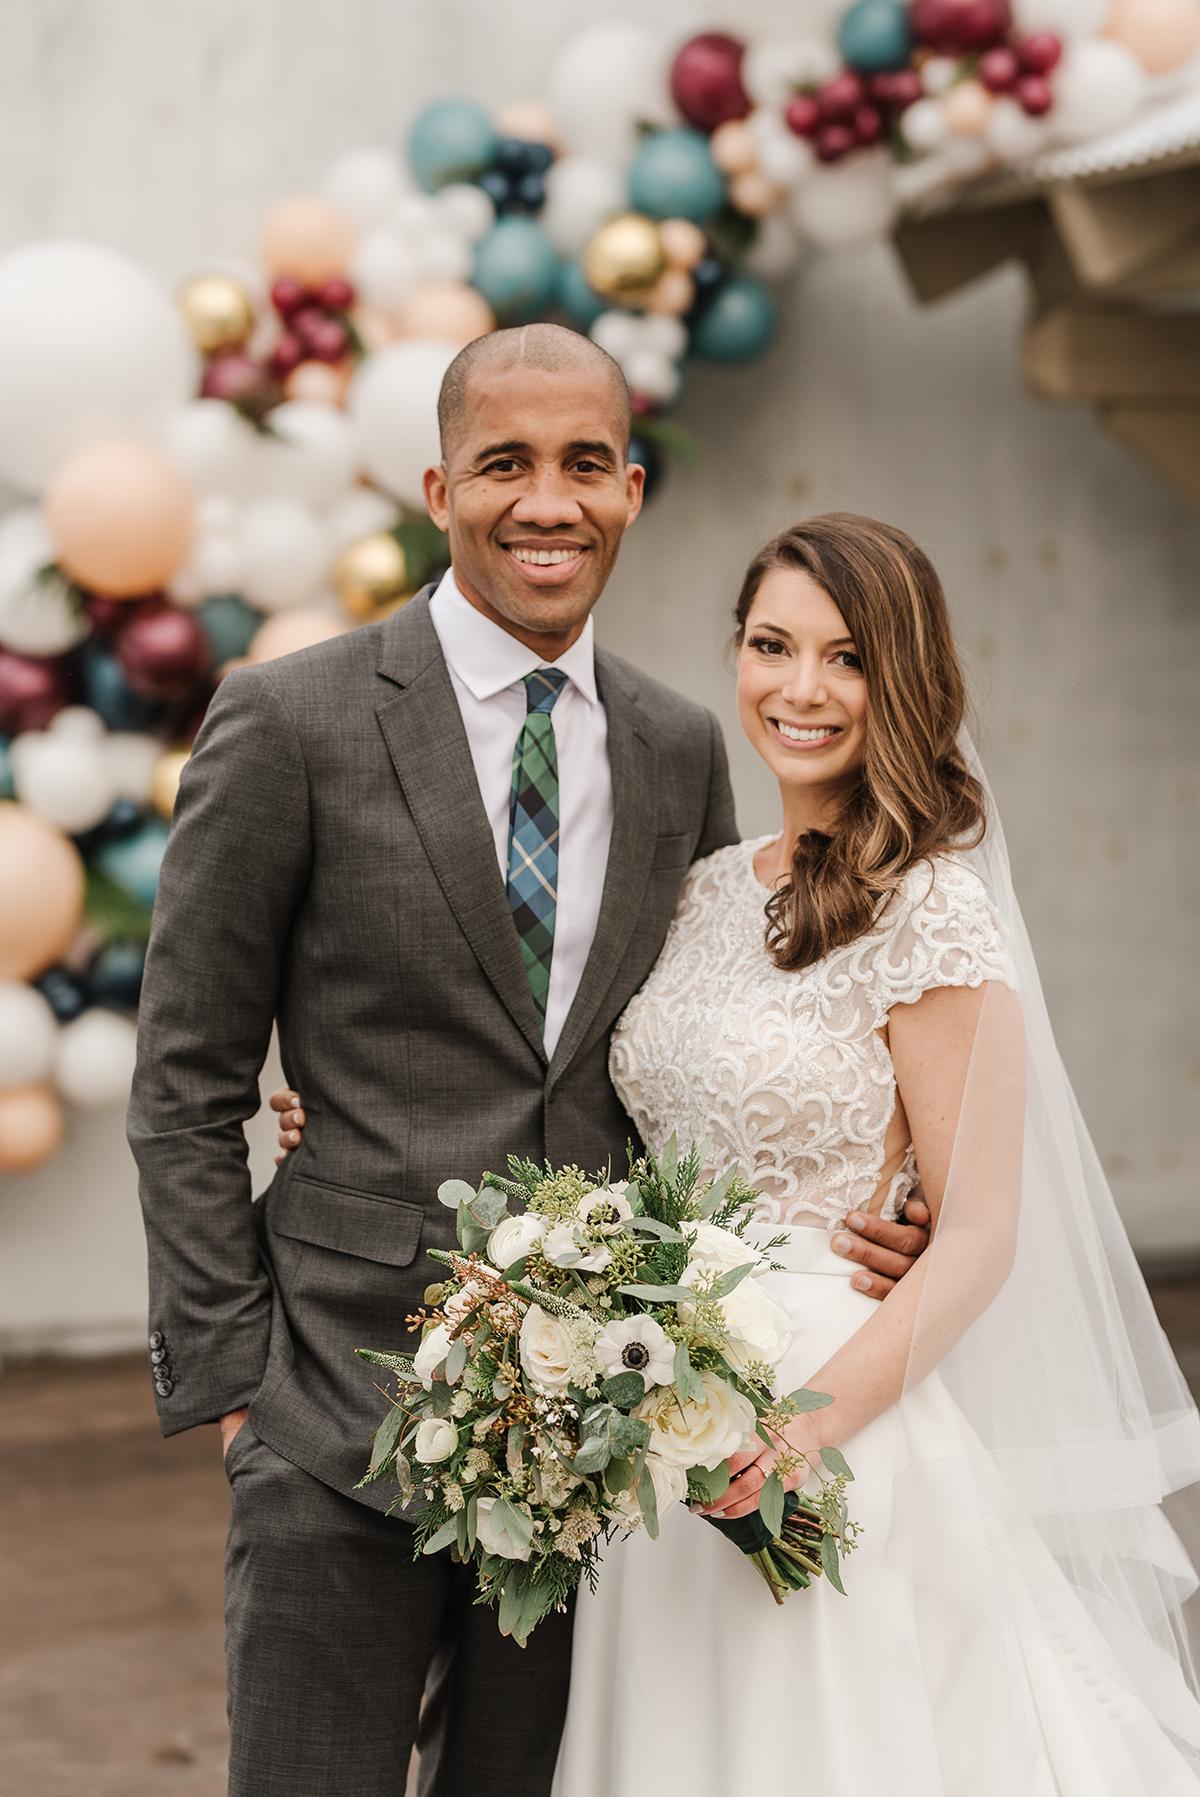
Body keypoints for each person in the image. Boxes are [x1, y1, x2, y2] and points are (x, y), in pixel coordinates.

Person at [282, 511, 1200, 1793]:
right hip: (653, 1418)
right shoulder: (706, 887)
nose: (801, 689)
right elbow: (578, 1084)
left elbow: (982, 1231)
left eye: (847, 657)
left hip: (828, 1424)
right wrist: (338, 1103)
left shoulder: (932, 909)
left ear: (904, 680)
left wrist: (801, 1437)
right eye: (773, 646)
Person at [127, 327, 925, 1797]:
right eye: (505, 463)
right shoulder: (289, 719)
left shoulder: (681, 745)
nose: (546, 502)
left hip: (597, 1445)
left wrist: (893, 1190)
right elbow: (184, 1078)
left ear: (630, 491)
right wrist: (239, 1386)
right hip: (331, 1409)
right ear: (441, 489)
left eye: (582, 466)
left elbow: (707, 1041)